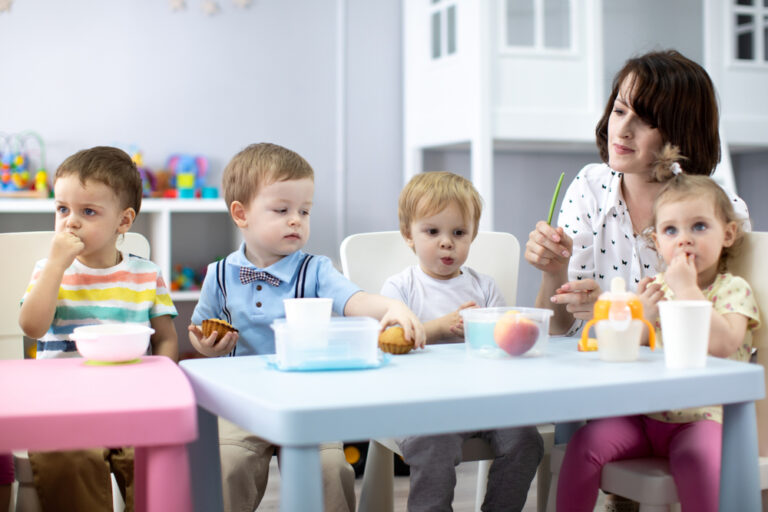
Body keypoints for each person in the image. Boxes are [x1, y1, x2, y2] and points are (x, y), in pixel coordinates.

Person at [188, 142, 425, 512]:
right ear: (241, 213)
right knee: (226, 467)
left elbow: (355, 301)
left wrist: (392, 306)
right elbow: (201, 332)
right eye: (282, 210)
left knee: (331, 469)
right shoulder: (218, 275)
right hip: (242, 402)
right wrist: (207, 346)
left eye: (304, 210)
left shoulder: (315, 269)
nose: (296, 219)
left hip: (306, 397)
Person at [555, 155, 760, 512]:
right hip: (645, 417)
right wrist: (640, 322)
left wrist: (687, 291)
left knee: (699, 463)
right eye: (670, 231)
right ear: (655, 242)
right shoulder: (655, 290)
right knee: (585, 443)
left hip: (703, 419)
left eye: (698, 227)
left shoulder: (732, 289)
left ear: (727, 233)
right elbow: (613, 350)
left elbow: (725, 346)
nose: (684, 241)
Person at [524, 50, 750, 338]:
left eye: (645, 120)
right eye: (619, 111)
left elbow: (728, 337)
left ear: (681, 132)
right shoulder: (588, 187)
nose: (623, 130)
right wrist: (554, 272)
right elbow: (558, 330)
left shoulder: (723, 212)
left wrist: (613, 312)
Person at [18, 146, 178, 511]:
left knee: (156, 458)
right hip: (62, 406)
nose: (70, 222)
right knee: (67, 460)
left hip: (130, 402)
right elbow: (31, 326)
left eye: (87, 212)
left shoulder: (146, 274)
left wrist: (163, 385)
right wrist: (57, 267)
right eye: (62, 209)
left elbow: (167, 338)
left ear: (123, 221)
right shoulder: (49, 271)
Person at [381, 171, 544, 512]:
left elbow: (506, 348)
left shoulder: (484, 288)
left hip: (482, 400)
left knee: (526, 441)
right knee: (432, 444)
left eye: (459, 233)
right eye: (432, 231)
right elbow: (389, 344)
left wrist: (506, 331)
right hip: (423, 405)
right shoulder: (400, 289)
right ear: (408, 235)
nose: (447, 242)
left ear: (472, 235)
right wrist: (440, 327)